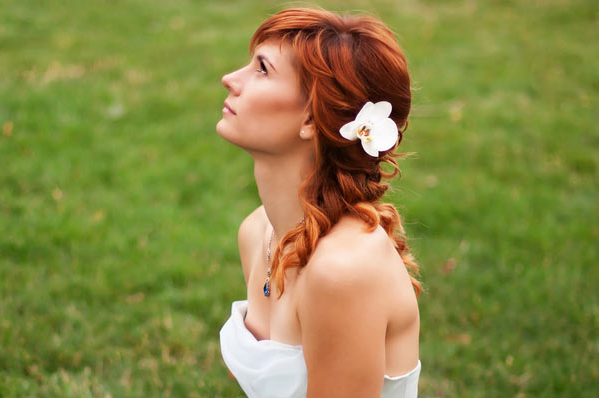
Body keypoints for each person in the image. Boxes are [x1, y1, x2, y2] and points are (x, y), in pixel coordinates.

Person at [217, 7, 421, 398]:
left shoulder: (342, 271)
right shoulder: (259, 232)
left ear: (312, 119)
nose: (230, 79)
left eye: (262, 68)